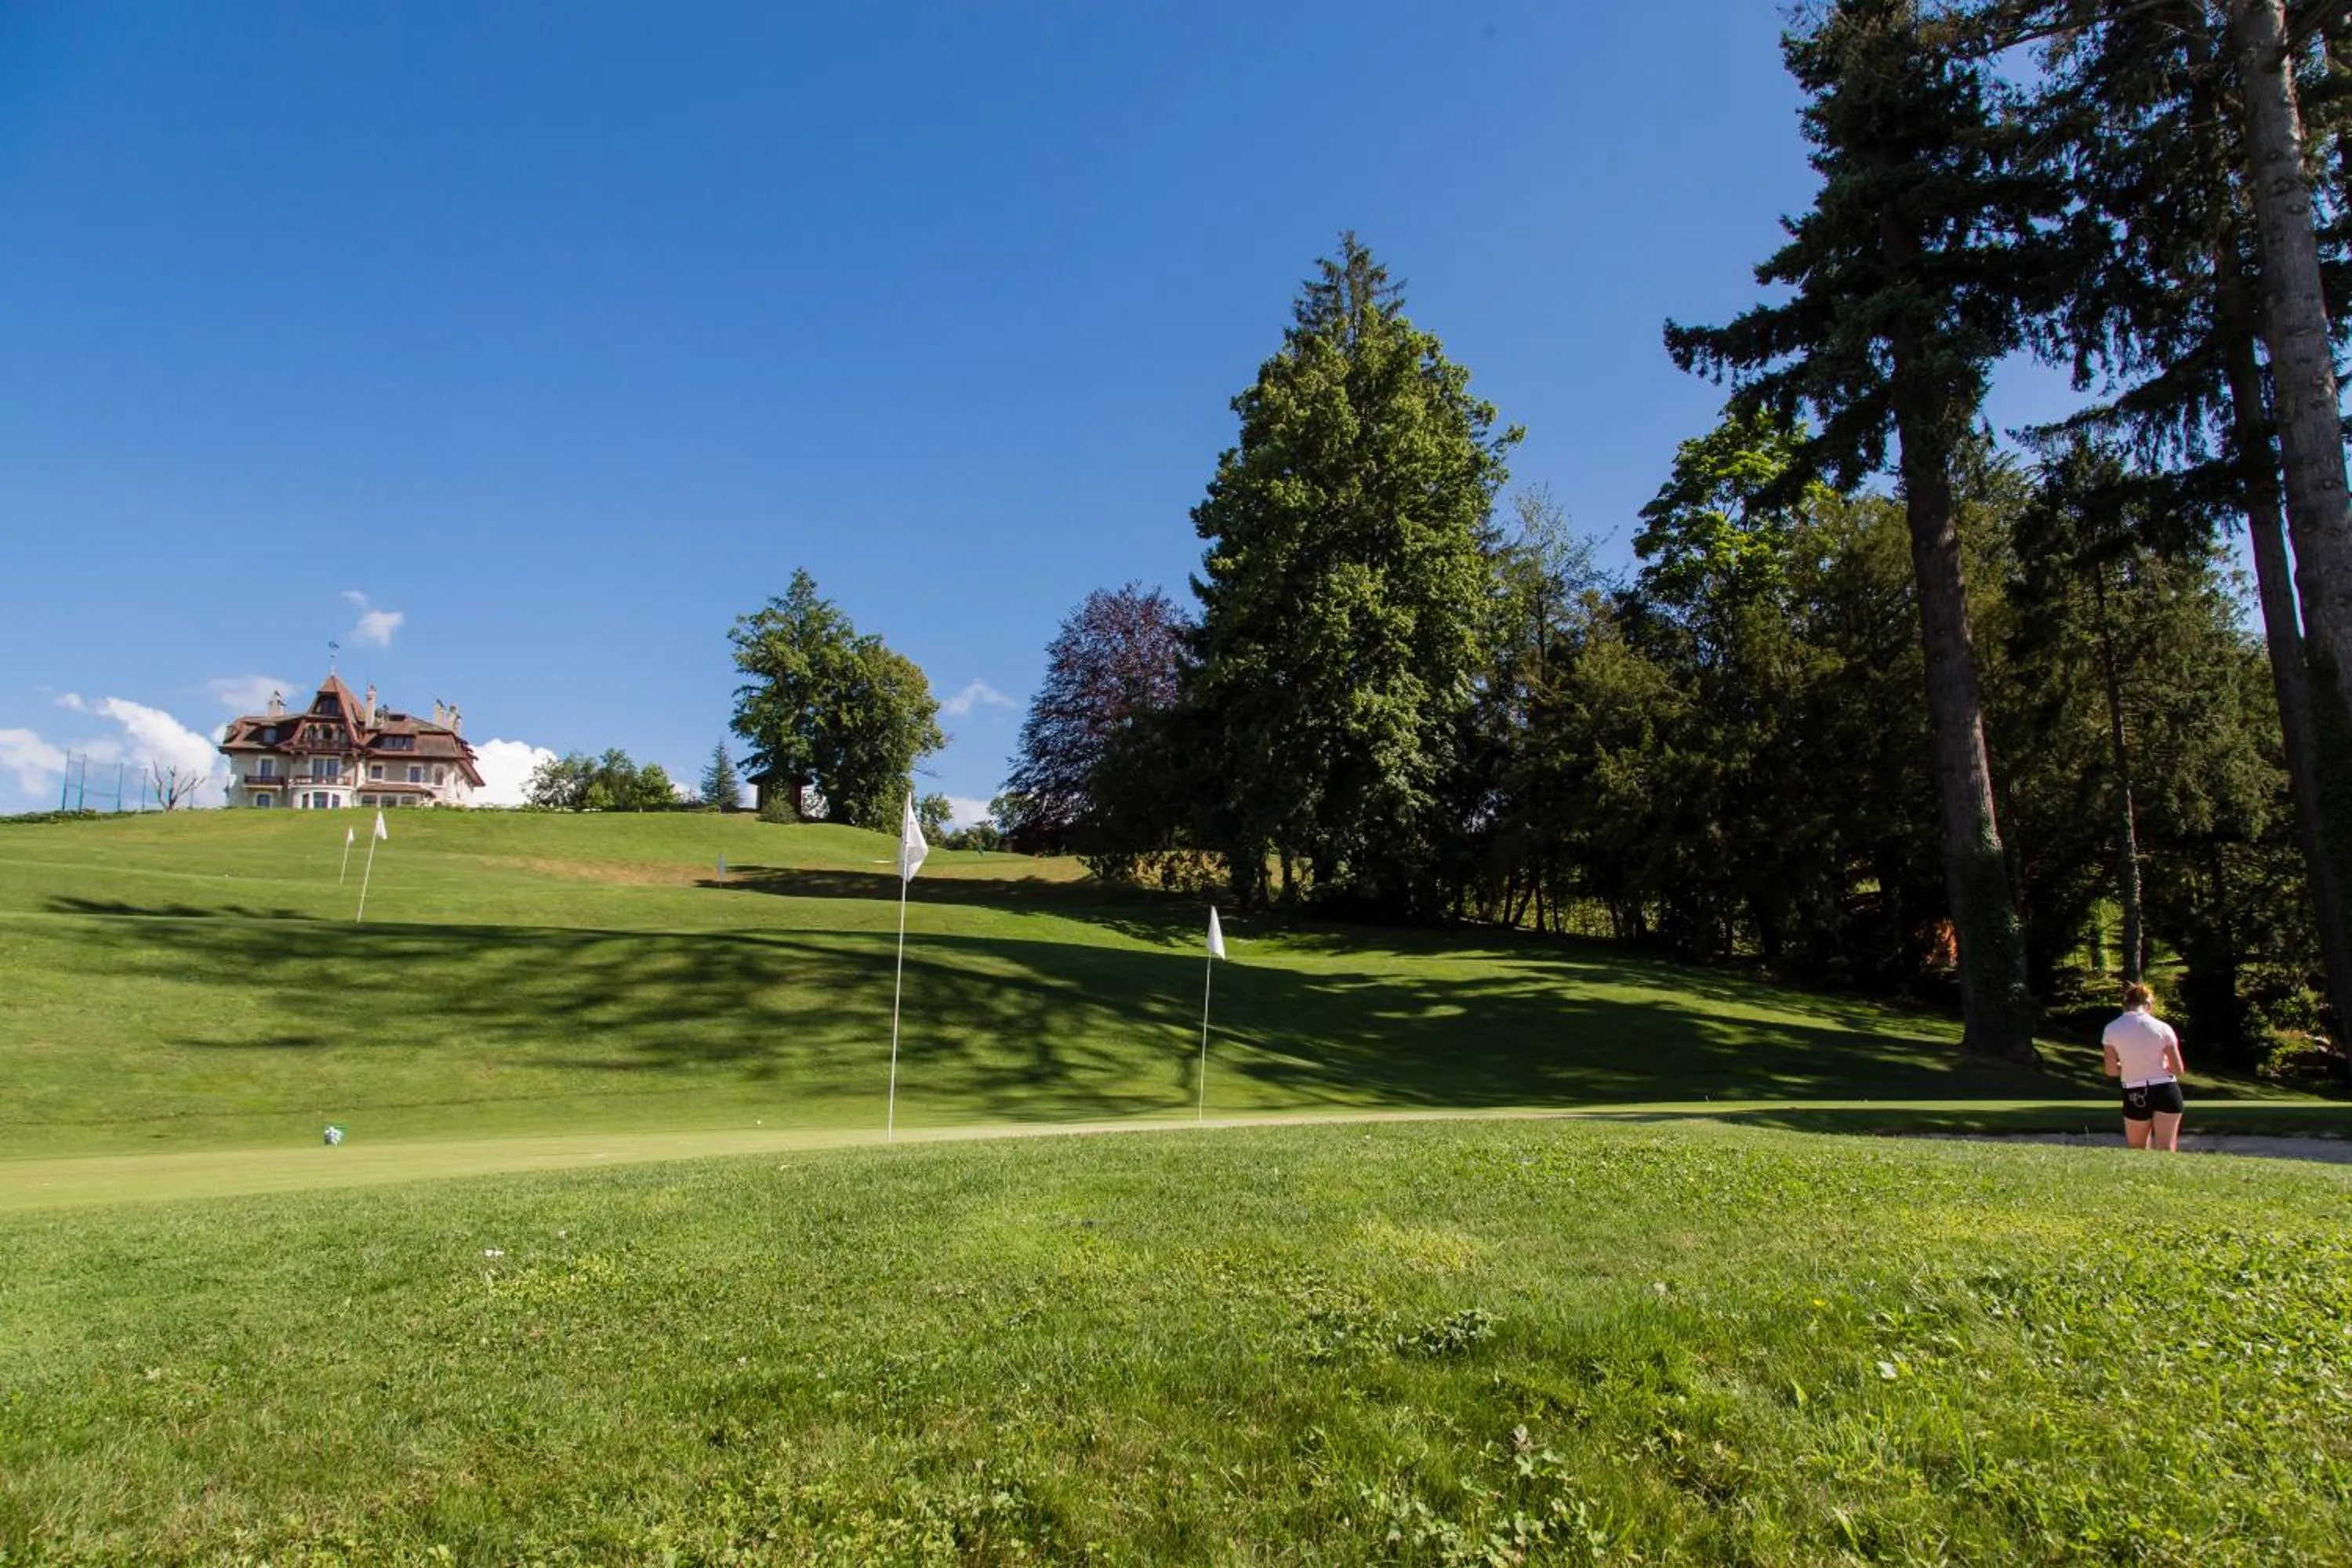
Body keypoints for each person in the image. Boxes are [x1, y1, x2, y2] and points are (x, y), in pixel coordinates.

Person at [2102, 982, 2187, 1151]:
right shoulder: (2163, 1028)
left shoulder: (2112, 1029)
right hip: (2166, 1088)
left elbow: (2111, 1071)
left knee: (2137, 1149)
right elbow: (2178, 1069)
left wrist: (2128, 1065)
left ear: (2125, 1004)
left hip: (2135, 1090)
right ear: (2148, 1004)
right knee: (2166, 1148)